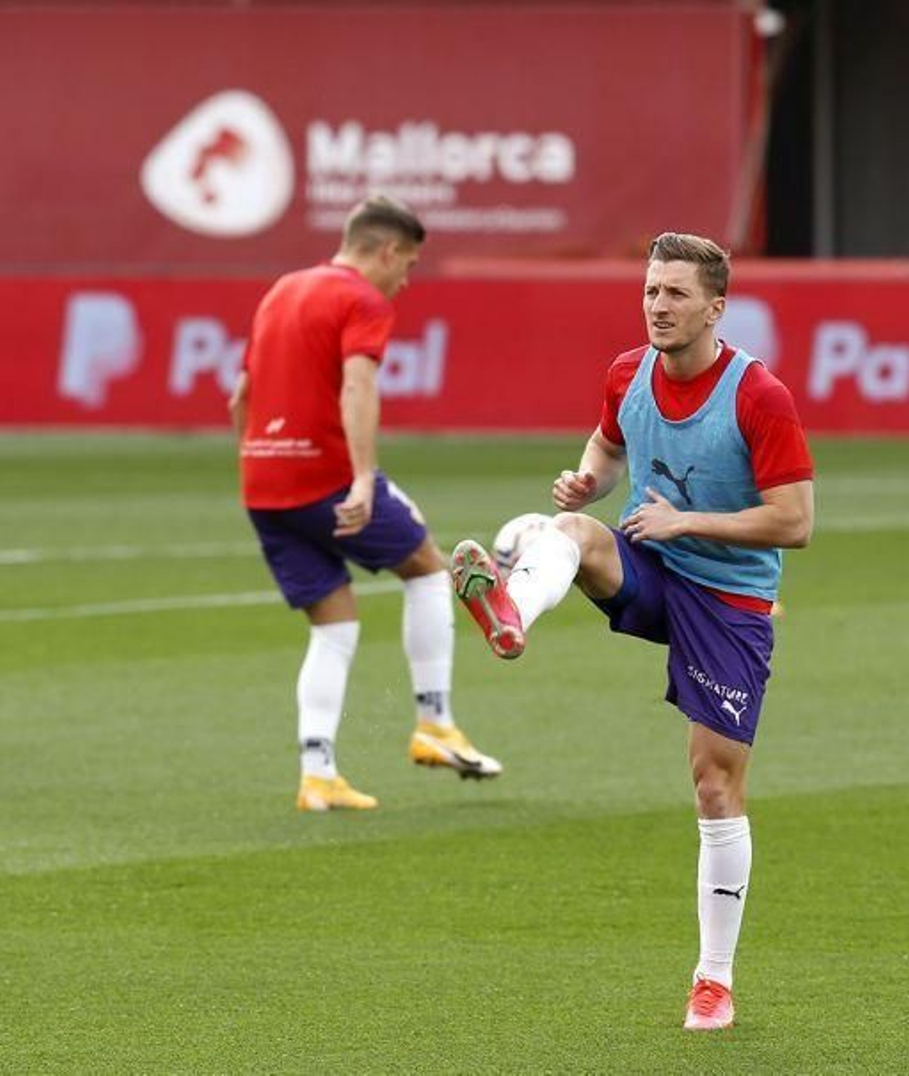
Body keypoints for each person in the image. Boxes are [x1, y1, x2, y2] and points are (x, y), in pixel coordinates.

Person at [450, 232, 814, 1031]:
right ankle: (509, 611)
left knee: (714, 782)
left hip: (728, 602)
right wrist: (589, 481)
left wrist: (689, 521)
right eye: (651, 291)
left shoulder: (760, 396)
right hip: (651, 567)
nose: (658, 306)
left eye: (677, 294)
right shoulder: (627, 373)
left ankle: (713, 980)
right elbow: (608, 449)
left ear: (716, 307)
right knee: (572, 529)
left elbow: (796, 523)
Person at [229, 195, 503, 811]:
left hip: (264, 484)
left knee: (334, 625)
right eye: (406, 265)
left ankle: (317, 773)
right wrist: (362, 478)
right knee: (429, 570)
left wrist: (257, 462)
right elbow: (358, 383)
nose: (405, 281)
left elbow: (239, 395)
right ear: (386, 249)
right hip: (325, 478)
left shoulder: (281, 291)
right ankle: (435, 721)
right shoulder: (360, 300)